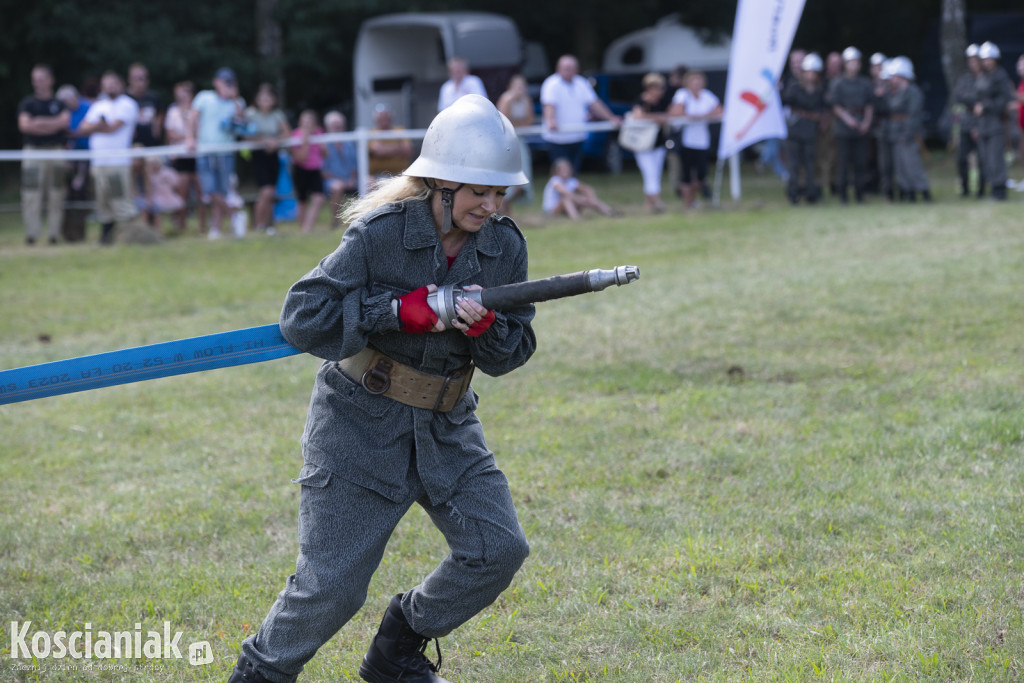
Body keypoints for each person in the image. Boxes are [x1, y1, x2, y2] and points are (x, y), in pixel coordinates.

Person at [227, 94, 534, 683]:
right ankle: (260, 675)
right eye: (478, 191)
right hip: (357, 425)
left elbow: (513, 352)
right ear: (440, 183)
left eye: (499, 193)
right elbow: (303, 315)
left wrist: (490, 328)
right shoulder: (380, 233)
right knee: (332, 590)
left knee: (498, 551)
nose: (490, 206)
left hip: (447, 427)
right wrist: (396, 310)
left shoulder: (504, 247)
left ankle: (397, 650)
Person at [77, 70, 143, 244]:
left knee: (121, 199)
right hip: (99, 162)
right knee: (103, 201)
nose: (110, 87)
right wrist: (99, 125)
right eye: (106, 84)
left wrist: (96, 126)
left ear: (121, 85)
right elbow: (82, 128)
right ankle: (106, 238)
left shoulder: (128, 104)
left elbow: (112, 128)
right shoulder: (99, 105)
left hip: (117, 162)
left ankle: (133, 236)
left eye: (113, 83)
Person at [188, 67, 246, 239]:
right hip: (205, 151)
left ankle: (216, 228)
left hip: (226, 152)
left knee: (221, 191)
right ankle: (235, 216)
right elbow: (192, 118)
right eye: (224, 81)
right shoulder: (204, 97)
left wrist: (234, 97)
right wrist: (189, 138)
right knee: (210, 190)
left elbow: (242, 122)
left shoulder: (237, 102)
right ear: (216, 82)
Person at [540, 54, 621, 172]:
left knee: (574, 171)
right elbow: (549, 105)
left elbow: (595, 104)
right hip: (557, 138)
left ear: (576, 69)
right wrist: (551, 120)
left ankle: (571, 190)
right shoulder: (551, 84)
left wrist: (611, 118)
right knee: (561, 172)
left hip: (577, 136)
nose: (569, 71)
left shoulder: (581, 83)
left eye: (572, 68)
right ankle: (561, 190)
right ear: (558, 68)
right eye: (566, 68)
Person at [18, 64, 69, 245]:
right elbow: (25, 126)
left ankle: (54, 235)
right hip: (33, 153)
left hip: (56, 152)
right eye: (35, 80)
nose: (37, 83)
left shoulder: (60, 103)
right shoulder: (27, 103)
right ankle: (32, 234)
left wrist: (38, 123)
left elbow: (64, 123)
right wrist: (51, 124)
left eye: (41, 79)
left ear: (50, 80)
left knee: (57, 192)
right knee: (31, 193)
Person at [668, 70, 722, 209]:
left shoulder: (707, 96)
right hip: (686, 141)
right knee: (686, 174)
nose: (697, 83)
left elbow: (719, 110)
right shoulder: (682, 95)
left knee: (701, 175)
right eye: (694, 80)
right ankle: (688, 203)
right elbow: (676, 112)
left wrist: (695, 116)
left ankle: (692, 199)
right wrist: (704, 116)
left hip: (702, 141)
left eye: (699, 80)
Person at [828, 47, 874, 203]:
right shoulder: (838, 83)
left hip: (861, 128)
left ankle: (860, 194)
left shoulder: (865, 83)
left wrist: (866, 123)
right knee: (843, 163)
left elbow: (869, 104)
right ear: (845, 64)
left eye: (856, 62)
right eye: (850, 62)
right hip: (843, 129)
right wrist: (848, 119)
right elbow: (835, 105)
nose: (853, 65)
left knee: (861, 162)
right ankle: (843, 195)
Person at [245, 83, 291, 234]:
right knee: (265, 192)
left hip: (273, 155)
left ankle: (267, 225)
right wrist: (264, 141)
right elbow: (246, 135)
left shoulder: (277, 114)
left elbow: (286, 133)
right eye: (262, 97)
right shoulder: (250, 114)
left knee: (271, 192)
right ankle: (259, 225)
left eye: (268, 97)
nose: (265, 100)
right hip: (258, 156)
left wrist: (275, 142)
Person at [782, 53, 826, 204]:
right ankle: (793, 194)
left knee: (810, 164)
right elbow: (785, 100)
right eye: (808, 71)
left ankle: (811, 194)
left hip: (811, 132)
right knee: (794, 165)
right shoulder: (794, 88)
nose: (811, 75)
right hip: (795, 131)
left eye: (814, 72)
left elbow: (822, 108)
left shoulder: (819, 91)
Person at [886, 57, 931, 202]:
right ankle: (908, 192)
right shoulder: (895, 92)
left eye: (895, 76)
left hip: (909, 135)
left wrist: (906, 134)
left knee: (912, 165)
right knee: (901, 167)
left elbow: (913, 116)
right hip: (896, 133)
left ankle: (924, 192)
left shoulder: (913, 92)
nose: (893, 79)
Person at [163, 80, 205, 233]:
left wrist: (188, 135)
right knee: (182, 192)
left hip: (196, 155)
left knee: (202, 192)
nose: (182, 97)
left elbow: (200, 132)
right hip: (180, 156)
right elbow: (171, 133)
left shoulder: (198, 110)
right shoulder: (173, 111)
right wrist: (188, 137)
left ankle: (203, 226)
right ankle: (180, 226)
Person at [974, 42, 1013, 201]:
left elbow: (1005, 99)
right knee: (985, 158)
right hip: (982, 123)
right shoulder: (981, 77)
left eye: (990, 59)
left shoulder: (1001, 76)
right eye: (984, 59)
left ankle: (1000, 190)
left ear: (996, 59)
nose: (987, 62)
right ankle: (993, 188)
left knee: (995, 157)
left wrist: (986, 106)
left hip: (996, 122)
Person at [127, 63, 163, 224]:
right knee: (135, 164)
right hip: (131, 148)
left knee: (153, 169)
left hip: (151, 147)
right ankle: (138, 204)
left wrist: (157, 128)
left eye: (142, 78)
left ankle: (151, 205)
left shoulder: (153, 98)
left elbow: (161, 114)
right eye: (137, 78)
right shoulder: (124, 99)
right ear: (130, 80)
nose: (140, 82)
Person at [630, 72, 671, 213]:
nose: (662, 91)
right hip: (643, 145)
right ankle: (658, 203)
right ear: (650, 87)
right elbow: (638, 117)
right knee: (650, 173)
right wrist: (657, 117)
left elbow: (670, 114)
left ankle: (649, 205)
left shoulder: (663, 101)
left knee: (655, 174)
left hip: (658, 143)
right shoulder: (641, 101)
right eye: (659, 87)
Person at [56, 83, 91, 242]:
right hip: (69, 162)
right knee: (68, 198)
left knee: (83, 196)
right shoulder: (63, 111)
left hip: (87, 160)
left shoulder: (88, 108)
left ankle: (80, 234)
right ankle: (68, 234)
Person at [496, 74, 535, 210]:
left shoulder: (526, 100)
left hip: (520, 140)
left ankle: (509, 203)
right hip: (506, 141)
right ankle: (503, 203)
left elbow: (529, 122)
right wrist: (518, 123)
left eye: (522, 87)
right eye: (518, 87)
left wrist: (516, 124)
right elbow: (503, 121)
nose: (521, 90)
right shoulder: (506, 99)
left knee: (523, 172)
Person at [952, 45, 985, 197]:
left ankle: (981, 189)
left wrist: (970, 97)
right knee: (961, 158)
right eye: (970, 61)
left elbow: (986, 98)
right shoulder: (964, 79)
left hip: (982, 122)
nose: (972, 64)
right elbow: (958, 96)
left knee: (982, 158)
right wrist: (974, 100)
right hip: (966, 123)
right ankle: (965, 188)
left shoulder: (986, 78)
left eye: (975, 60)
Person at [542, 157, 618, 220]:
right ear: (556, 171)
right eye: (563, 170)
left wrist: (592, 199)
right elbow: (564, 192)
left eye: (567, 169)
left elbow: (587, 189)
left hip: (565, 208)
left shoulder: (571, 181)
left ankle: (609, 211)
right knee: (566, 199)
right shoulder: (555, 180)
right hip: (552, 210)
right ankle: (576, 218)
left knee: (586, 199)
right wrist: (579, 199)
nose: (566, 172)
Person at [289, 109, 326, 233]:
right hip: (301, 170)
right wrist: (306, 141)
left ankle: (307, 227)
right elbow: (301, 158)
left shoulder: (319, 133)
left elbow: (325, 154)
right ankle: (302, 228)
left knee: (319, 198)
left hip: (315, 170)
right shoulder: (295, 135)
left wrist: (321, 143)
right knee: (302, 201)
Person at [321, 110, 358, 229]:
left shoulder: (349, 143)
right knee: (337, 187)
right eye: (335, 126)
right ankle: (335, 222)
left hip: (351, 179)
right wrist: (342, 180)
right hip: (332, 181)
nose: (338, 129)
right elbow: (323, 172)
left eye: (340, 126)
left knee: (370, 183)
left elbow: (355, 165)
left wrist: (352, 179)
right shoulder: (323, 144)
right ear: (328, 128)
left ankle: (362, 220)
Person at [367, 104, 413, 180]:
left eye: (386, 117)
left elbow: (408, 151)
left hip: (400, 174)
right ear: (376, 119)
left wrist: (385, 149)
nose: (384, 120)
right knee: (368, 181)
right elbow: (378, 151)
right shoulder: (372, 132)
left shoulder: (400, 130)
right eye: (381, 118)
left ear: (391, 118)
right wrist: (398, 148)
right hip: (377, 176)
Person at [143, 157, 184, 232]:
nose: (152, 166)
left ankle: (179, 225)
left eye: (153, 164)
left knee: (180, 204)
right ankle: (158, 230)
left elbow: (176, 184)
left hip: (169, 196)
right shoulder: (148, 175)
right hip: (155, 197)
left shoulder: (167, 172)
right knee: (155, 207)